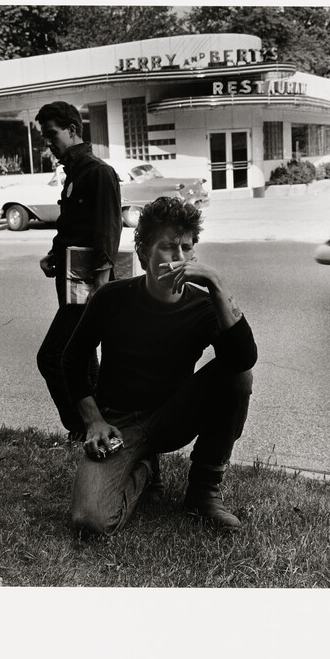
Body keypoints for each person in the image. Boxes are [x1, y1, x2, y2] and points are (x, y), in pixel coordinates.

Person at [61, 197, 257, 534]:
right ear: (143, 254)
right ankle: (145, 467)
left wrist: (217, 283)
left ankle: (203, 492)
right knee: (90, 521)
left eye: (186, 247)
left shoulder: (205, 305)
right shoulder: (111, 298)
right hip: (119, 424)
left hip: (173, 416)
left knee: (237, 377)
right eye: (168, 247)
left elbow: (242, 359)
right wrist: (93, 420)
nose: (179, 258)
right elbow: (72, 359)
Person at [34, 101, 123, 441]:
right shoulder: (74, 172)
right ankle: (102, 425)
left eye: (52, 135)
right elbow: (72, 226)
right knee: (85, 358)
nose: (49, 143)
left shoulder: (97, 171)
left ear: (72, 130)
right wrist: (52, 255)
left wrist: (102, 280)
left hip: (89, 285)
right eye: (44, 137)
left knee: (53, 356)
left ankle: (81, 426)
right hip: (72, 281)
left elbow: (107, 228)